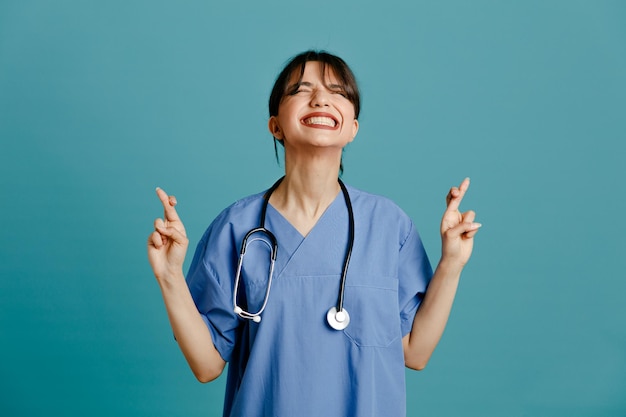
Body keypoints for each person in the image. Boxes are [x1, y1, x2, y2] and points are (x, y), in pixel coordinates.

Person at [147, 50, 481, 417]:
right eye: (301, 90)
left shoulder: (389, 226)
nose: (321, 98)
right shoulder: (236, 229)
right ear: (275, 125)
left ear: (353, 127)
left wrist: (451, 263)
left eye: (338, 92)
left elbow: (415, 352)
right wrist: (169, 276)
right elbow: (206, 365)